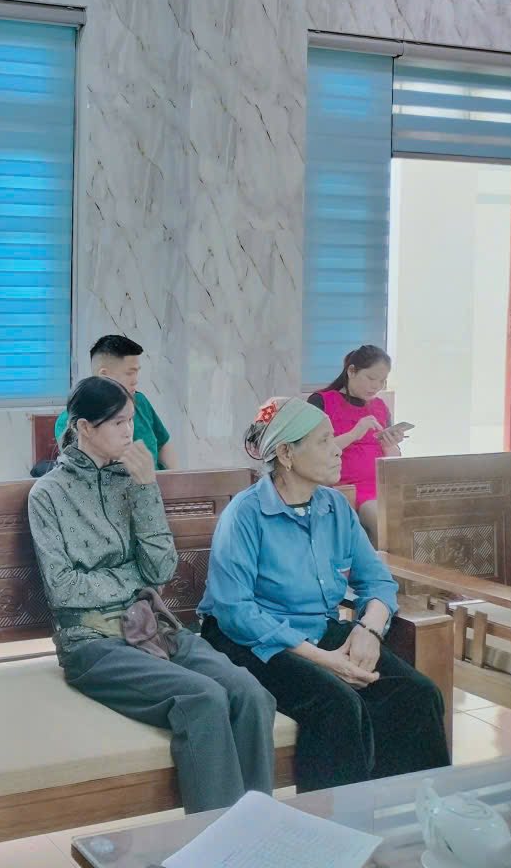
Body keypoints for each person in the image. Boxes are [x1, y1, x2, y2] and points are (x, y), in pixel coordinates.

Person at [30, 376, 275, 814]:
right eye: (118, 423)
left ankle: (256, 827)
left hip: (153, 628)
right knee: (203, 698)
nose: (131, 432)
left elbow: (161, 569)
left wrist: (146, 488)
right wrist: (133, 580)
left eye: (131, 421)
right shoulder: (48, 494)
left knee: (250, 694)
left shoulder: (134, 481)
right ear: (84, 427)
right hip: (92, 643)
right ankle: (214, 841)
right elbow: (64, 589)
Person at [199, 397, 449, 792]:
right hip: (249, 642)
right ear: (286, 454)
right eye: (323, 441)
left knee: (418, 695)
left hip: (318, 629)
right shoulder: (245, 515)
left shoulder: (334, 507)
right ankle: (332, 823)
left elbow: (377, 581)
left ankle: (408, 813)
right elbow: (235, 612)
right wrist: (325, 660)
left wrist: (368, 630)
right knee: (337, 704)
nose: (338, 449)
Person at [307, 345, 407, 544]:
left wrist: (390, 445)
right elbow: (312, 453)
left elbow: (393, 462)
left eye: (382, 381)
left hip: (383, 486)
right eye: (371, 378)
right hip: (347, 488)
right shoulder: (321, 401)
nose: (376, 386)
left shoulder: (380, 407)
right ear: (351, 371)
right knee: (384, 520)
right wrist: (354, 434)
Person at [53, 335, 178, 469]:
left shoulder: (140, 401)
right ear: (104, 376)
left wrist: (174, 479)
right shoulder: (71, 418)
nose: (135, 380)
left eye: (130, 419)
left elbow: (163, 443)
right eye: (129, 373)